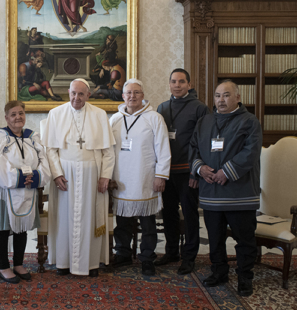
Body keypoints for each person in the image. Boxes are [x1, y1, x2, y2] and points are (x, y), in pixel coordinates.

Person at [189, 80, 262, 297]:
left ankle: (244, 277)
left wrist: (226, 172)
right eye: (218, 95)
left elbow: (251, 152)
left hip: (239, 193)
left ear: (238, 97)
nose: (221, 100)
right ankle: (219, 271)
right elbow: (193, 148)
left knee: (244, 239)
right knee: (215, 238)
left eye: (227, 95)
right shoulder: (204, 121)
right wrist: (200, 168)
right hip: (211, 193)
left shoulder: (250, 122)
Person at [41, 78, 115, 277]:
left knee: (91, 217)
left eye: (81, 94)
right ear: (68, 92)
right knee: (64, 218)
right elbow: (50, 150)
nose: (76, 98)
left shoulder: (99, 115)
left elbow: (108, 151)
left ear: (88, 95)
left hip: (93, 174)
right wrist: (57, 174)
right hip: (65, 176)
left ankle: (90, 264)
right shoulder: (56, 114)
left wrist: (105, 176)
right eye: (73, 93)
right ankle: (64, 262)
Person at [0, 101, 51, 283]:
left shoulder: (33, 137)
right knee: (3, 229)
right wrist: (18, 178)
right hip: (3, 191)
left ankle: (19, 264)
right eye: (13, 114)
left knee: (22, 229)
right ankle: (4, 267)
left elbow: (44, 161)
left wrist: (37, 176)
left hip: (28, 190)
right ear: (6, 118)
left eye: (20, 113)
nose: (17, 117)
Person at [109, 79, 171, 276]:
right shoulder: (114, 120)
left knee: (147, 223)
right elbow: (107, 151)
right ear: (123, 96)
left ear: (143, 95)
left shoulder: (154, 118)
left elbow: (163, 148)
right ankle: (123, 253)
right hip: (121, 179)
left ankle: (147, 258)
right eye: (129, 93)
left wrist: (161, 175)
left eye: (136, 92)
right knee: (122, 222)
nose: (132, 96)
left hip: (145, 177)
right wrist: (107, 176)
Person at [155, 69, 210, 274]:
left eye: (181, 81)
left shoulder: (200, 108)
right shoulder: (163, 107)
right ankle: (171, 251)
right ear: (169, 84)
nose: (177, 85)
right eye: (173, 81)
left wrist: (196, 173)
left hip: (188, 171)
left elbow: (203, 142)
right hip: (167, 172)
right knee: (168, 214)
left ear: (189, 84)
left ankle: (189, 256)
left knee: (189, 215)